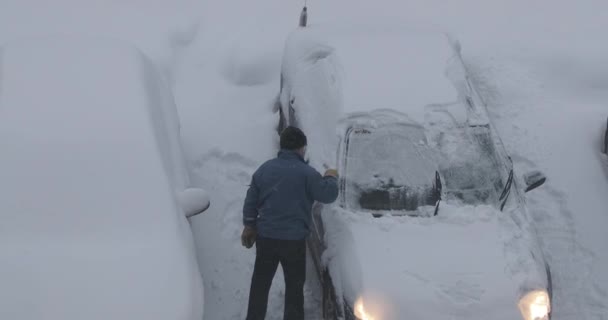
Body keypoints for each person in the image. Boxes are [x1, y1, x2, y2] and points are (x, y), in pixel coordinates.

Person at [241, 126, 339, 320]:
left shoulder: (265, 170)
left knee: (260, 285)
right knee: (294, 289)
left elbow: (251, 200)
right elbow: (328, 194)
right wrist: (331, 176)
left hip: (266, 239)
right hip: (293, 243)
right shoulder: (307, 174)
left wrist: (249, 225)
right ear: (301, 148)